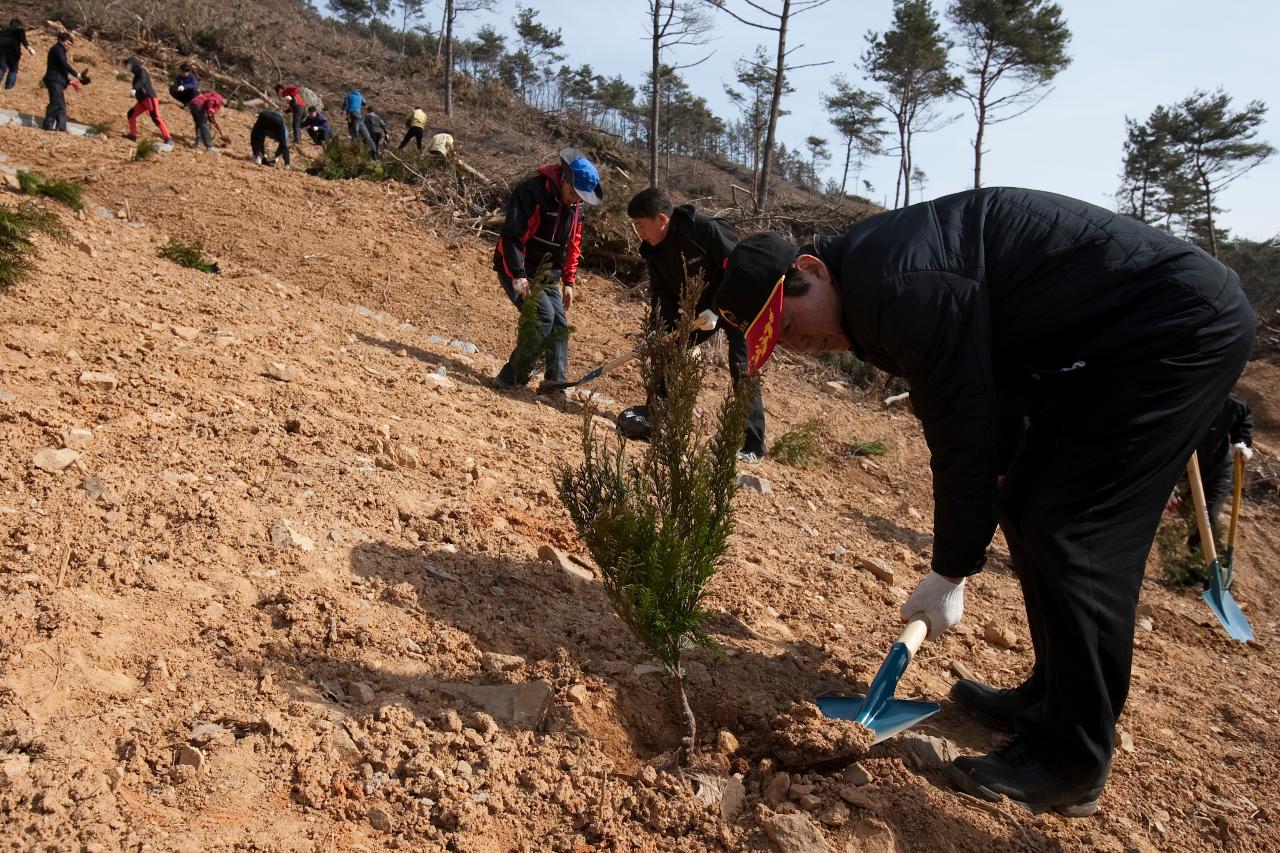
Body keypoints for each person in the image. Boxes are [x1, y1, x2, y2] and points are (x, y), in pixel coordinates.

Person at [710, 187, 1254, 816]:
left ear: (809, 271)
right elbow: (992, 386)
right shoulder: (868, 293)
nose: (798, 346)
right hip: (1105, 347)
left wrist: (950, 568)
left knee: (1076, 533)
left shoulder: (899, 284)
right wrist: (1005, 480)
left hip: (1174, 330)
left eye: (791, 326)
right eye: (779, 343)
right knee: (1029, 503)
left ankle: (1071, 760)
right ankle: (1049, 698)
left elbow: (960, 425)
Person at [621, 187, 767, 462]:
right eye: (634, 226)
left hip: (737, 302)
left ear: (662, 219)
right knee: (665, 351)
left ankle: (753, 445)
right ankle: (657, 417)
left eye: (640, 225)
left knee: (742, 367)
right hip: (699, 312)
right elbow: (662, 292)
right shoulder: (653, 251)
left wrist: (719, 307)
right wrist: (657, 328)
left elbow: (739, 268)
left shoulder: (703, 230)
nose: (637, 231)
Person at [491, 147, 603, 391]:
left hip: (547, 275)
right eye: (573, 192)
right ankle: (511, 378)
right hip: (517, 268)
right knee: (541, 317)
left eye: (581, 197)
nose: (576, 200)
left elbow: (573, 243)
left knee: (559, 324)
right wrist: (519, 277)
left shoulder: (577, 209)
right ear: (563, 178)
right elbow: (511, 238)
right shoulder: (531, 193)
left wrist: (569, 282)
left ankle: (555, 381)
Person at [1184, 392, 1254, 553]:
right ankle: (1205, 565)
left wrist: (1242, 441)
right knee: (1195, 520)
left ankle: (1204, 570)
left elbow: (1243, 416)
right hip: (1185, 473)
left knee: (1206, 518)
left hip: (1218, 472)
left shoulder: (1229, 402)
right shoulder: (1185, 400)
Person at [41, 32, 85, 132]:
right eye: (68, 43)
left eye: (70, 44)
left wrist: (69, 81)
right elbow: (64, 65)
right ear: (61, 40)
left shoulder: (61, 51)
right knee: (55, 103)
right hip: (54, 80)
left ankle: (61, 127)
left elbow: (60, 68)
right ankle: (48, 125)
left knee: (61, 105)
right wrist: (77, 75)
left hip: (58, 80)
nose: (69, 46)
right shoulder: (57, 49)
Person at [123, 57, 172, 145]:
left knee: (155, 117)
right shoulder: (136, 74)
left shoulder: (141, 71)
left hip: (150, 98)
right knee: (131, 114)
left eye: (128, 64)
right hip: (142, 101)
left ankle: (167, 138)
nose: (127, 67)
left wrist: (134, 88)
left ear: (133, 64)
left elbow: (142, 80)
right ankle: (132, 135)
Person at [0, 19, 35, 90]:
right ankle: (8, 88)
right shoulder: (19, 30)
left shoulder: (3, 29)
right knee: (13, 70)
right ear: (19, 25)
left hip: (1, 51)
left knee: (1, 68)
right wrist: (29, 48)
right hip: (13, 52)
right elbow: (23, 40)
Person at [275, 83, 305, 148]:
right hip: (300, 108)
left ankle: (297, 141)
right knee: (296, 125)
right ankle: (297, 140)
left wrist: (291, 95)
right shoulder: (286, 95)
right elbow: (292, 106)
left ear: (280, 89)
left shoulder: (286, 90)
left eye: (278, 92)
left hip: (299, 107)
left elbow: (297, 89)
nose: (279, 94)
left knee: (295, 124)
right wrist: (286, 111)